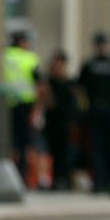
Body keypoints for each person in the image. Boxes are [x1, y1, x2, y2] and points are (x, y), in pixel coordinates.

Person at [77, 32, 110, 193]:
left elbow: (79, 88)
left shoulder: (91, 64)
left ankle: (104, 181)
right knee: (101, 148)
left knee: (104, 148)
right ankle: (103, 181)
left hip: (101, 111)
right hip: (103, 111)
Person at [3, 30, 42, 186]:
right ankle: (21, 175)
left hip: (6, 104)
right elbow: (40, 85)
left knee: (10, 143)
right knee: (24, 144)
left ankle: (9, 172)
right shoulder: (30, 58)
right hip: (25, 106)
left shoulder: (4, 56)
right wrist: (37, 109)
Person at [42, 50, 79, 191]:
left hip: (66, 123)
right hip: (52, 122)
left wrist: (74, 121)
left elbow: (75, 105)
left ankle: (66, 180)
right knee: (53, 152)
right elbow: (48, 103)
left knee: (66, 153)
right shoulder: (49, 83)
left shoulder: (70, 84)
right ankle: (55, 180)